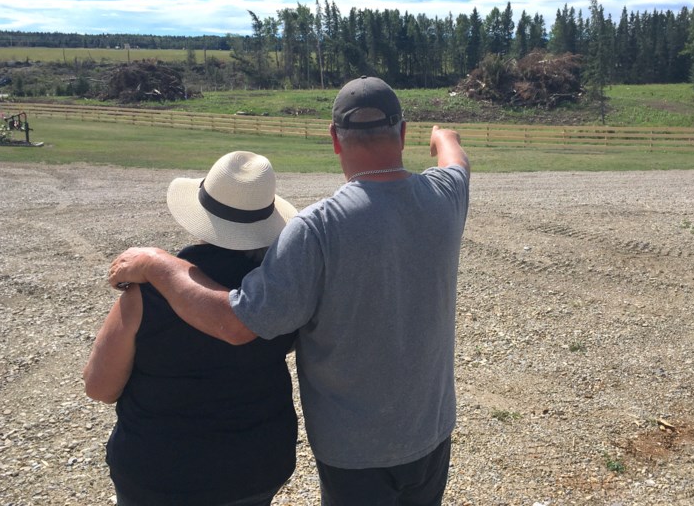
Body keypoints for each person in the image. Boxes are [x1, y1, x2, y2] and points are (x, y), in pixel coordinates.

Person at [108, 75, 471, 506]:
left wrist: (158, 264)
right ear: (403, 133)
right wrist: (444, 136)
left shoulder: (318, 227)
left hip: (354, 450)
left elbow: (235, 323)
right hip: (431, 430)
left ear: (335, 139)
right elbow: (457, 161)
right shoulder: (446, 194)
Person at [85, 151, 300, 506]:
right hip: (257, 466)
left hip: (158, 474)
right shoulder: (282, 288)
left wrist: (156, 266)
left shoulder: (147, 293)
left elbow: (100, 386)